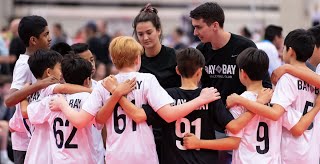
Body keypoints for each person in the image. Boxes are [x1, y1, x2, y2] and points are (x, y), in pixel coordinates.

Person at [49, 36, 221, 164]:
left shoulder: (104, 84)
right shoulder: (147, 79)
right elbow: (169, 115)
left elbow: (96, 121)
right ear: (138, 58)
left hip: (116, 155)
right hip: (143, 155)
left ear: (113, 60)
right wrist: (199, 100)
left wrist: (63, 104)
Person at [110, 48, 259, 164]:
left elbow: (138, 114)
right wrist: (256, 105)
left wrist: (117, 94)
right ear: (200, 71)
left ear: (177, 70)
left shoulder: (164, 96)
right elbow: (234, 129)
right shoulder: (211, 96)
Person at [190, 2, 272, 163]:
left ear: (214, 25)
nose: (195, 32)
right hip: (214, 123)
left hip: (243, 124)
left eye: (199, 27)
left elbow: (265, 88)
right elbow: (201, 87)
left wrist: (241, 104)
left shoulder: (244, 46)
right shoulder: (201, 51)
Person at [227, 29, 320, 163]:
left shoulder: (287, 79)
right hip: (312, 150)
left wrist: (239, 99)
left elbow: (276, 114)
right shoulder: (315, 79)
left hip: (291, 152)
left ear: (290, 51)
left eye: (284, 48)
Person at [27, 53, 96, 163]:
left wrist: (24, 95)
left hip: (60, 160)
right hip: (84, 160)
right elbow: (100, 121)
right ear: (87, 80)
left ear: (63, 77)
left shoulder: (51, 99)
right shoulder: (89, 98)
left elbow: (29, 113)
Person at [132, 3, 181, 160]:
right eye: (140, 34)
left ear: (158, 31)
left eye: (149, 32)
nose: (145, 38)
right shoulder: (135, 61)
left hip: (171, 125)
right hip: (145, 126)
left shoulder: (175, 57)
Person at [4, 15, 52, 164]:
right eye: (46, 34)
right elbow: (9, 100)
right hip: (25, 140)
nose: (50, 38)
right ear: (33, 40)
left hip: (36, 135)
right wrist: (39, 84)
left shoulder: (40, 60)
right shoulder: (24, 64)